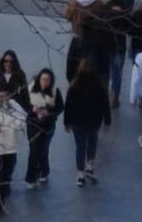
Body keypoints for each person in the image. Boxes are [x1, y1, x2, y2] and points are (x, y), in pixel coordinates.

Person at [63, 57, 112, 185]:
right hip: (94, 120)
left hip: (78, 121)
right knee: (92, 142)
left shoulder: (74, 86)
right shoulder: (99, 85)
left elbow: (68, 105)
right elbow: (105, 104)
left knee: (80, 146)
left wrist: (67, 122)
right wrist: (107, 120)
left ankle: (80, 172)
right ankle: (89, 165)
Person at [0, 85, 27, 216]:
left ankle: (5, 189)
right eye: (0, 96)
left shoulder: (14, 107)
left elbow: (22, 119)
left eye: (5, 96)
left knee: (7, 173)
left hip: (10, 147)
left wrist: (13, 122)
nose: (3, 99)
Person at [25, 70, 60, 187]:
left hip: (48, 125)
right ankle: (31, 178)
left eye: (47, 80)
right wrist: (33, 109)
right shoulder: (30, 90)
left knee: (44, 149)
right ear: (38, 79)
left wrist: (48, 112)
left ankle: (44, 171)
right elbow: (24, 105)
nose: (45, 82)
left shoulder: (55, 91)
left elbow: (60, 107)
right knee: (34, 150)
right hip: (33, 124)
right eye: (43, 79)